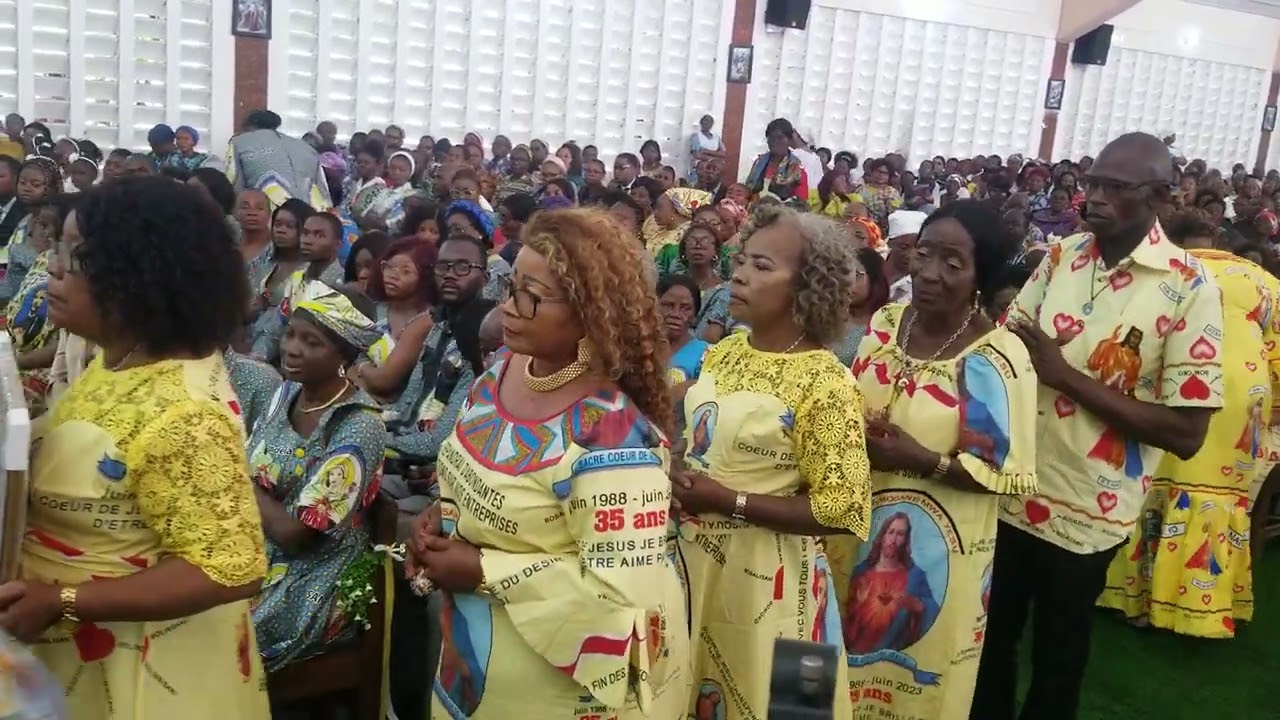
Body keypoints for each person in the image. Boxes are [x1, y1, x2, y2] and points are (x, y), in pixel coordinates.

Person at [974, 133, 1225, 720]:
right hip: (1008, 488)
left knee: (1059, 659)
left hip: (1087, 506)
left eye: (1117, 187)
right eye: (1093, 183)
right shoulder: (1061, 257)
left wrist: (1066, 378)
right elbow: (1007, 352)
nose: (1096, 198)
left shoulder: (1190, 287)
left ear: (1160, 196)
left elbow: (1187, 432)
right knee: (988, 643)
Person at [403, 208, 690, 719]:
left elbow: (618, 598)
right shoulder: (502, 372)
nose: (508, 307)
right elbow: (465, 473)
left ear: (589, 312)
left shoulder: (615, 443)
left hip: (549, 690)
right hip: (467, 664)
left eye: (530, 295)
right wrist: (437, 520)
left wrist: (485, 570)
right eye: (511, 286)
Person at [0, 176, 269, 717]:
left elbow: (227, 568)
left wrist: (64, 600)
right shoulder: (117, 362)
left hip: (141, 677)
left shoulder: (185, 413)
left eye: (73, 258)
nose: (52, 268)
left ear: (135, 279)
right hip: (78, 656)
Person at [839, 199, 1037, 718]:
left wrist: (921, 458)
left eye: (953, 263)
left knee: (912, 685)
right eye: (925, 254)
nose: (928, 273)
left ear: (981, 275)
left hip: (937, 551)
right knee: (830, 667)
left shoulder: (994, 358)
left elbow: (1004, 477)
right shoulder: (885, 324)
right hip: (849, 531)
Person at [673, 204, 868, 720]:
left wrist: (725, 500)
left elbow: (842, 507)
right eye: (742, 260)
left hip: (777, 583)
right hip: (695, 562)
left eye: (763, 267)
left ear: (806, 288)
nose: (738, 274)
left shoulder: (826, 382)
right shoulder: (725, 352)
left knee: (779, 704)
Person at [1098, 210, 1280, 638]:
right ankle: (1204, 608)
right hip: (1244, 398)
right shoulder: (1261, 280)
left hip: (1179, 382)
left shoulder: (1163, 268)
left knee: (1153, 486)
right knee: (1219, 498)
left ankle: (1134, 600)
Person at [248, 282, 386, 670]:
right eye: (291, 334)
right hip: (256, 545)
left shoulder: (358, 426)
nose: (292, 348)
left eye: (311, 342)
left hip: (313, 578)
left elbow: (297, 536)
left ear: (343, 353)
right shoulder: (285, 393)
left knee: (217, 624)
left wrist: (238, 482)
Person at [7, 195, 75, 416]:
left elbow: (59, 348)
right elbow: (18, 300)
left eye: (51, 228)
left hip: (34, 364)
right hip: (15, 345)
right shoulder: (44, 259)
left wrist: (14, 363)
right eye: (40, 225)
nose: (44, 234)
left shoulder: (74, 282)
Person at [226, 109, 332, 209]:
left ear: (249, 127)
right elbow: (323, 192)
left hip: (268, 217)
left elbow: (233, 184)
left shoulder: (239, 142)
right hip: (310, 217)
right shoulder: (306, 148)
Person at [1, 158, 62, 304]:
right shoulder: (25, 220)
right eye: (22, 183)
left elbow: (42, 267)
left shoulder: (53, 223)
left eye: (36, 185)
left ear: (52, 188)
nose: (26, 188)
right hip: (11, 295)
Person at [657, 274, 710, 420]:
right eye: (668, 305)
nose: (676, 314)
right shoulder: (637, 348)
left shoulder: (706, 355)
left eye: (685, 308)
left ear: (694, 315)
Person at [831, 247, 889, 365]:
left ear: (874, 280)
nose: (847, 282)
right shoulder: (829, 315)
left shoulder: (886, 324)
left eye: (856, 275)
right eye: (843, 274)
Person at [744, 118, 810, 202]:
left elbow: (801, 203)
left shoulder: (797, 169)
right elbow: (748, 191)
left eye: (780, 138)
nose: (775, 142)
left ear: (789, 140)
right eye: (771, 138)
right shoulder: (759, 163)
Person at [642, 187, 713, 257]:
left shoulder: (686, 234)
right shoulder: (657, 229)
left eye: (660, 207)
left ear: (674, 208)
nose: (655, 212)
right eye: (655, 208)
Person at [885, 210, 925, 304]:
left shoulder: (921, 282)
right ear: (889, 243)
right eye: (903, 247)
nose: (910, 254)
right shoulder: (872, 264)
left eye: (917, 247)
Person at [688, 115, 726, 184]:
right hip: (700, 167)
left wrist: (706, 151)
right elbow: (697, 155)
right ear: (701, 123)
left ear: (712, 124)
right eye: (705, 121)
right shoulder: (696, 136)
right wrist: (715, 157)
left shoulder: (716, 137)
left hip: (715, 167)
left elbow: (723, 153)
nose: (707, 123)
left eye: (709, 122)